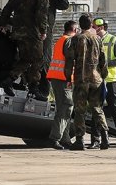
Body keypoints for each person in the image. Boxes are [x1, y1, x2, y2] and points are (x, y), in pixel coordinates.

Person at [0, 0, 51, 100]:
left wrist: (3, 23)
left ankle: (9, 80)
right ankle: (33, 89)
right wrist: (43, 31)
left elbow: (8, 7)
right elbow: (41, 14)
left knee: (26, 59)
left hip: (18, 32)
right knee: (38, 59)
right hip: (33, 33)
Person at [65, 13, 108, 151]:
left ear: (80, 24)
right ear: (91, 25)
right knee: (97, 109)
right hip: (96, 79)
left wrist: (68, 78)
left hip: (81, 79)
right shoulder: (97, 39)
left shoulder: (76, 39)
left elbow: (70, 60)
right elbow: (103, 59)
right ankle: (104, 138)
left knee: (80, 111)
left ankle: (80, 140)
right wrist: (104, 75)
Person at [90, 18, 116, 149]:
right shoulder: (92, 40)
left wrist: (106, 64)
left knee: (115, 110)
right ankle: (95, 140)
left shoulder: (114, 40)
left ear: (101, 28)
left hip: (110, 80)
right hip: (96, 80)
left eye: (94, 27)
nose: (92, 29)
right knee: (96, 110)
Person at [46, 20, 77, 150]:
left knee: (63, 108)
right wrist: (71, 78)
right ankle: (55, 138)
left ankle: (65, 139)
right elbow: (70, 61)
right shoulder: (69, 41)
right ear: (74, 30)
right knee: (66, 107)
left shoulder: (61, 40)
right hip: (63, 79)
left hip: (57, 78)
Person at [38, 0, 69, 96]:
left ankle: (41, 90)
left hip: (42, 33)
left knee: (41, 60)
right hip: (43, 33)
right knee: (44, 61)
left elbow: (65, 4)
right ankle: (43, 91)